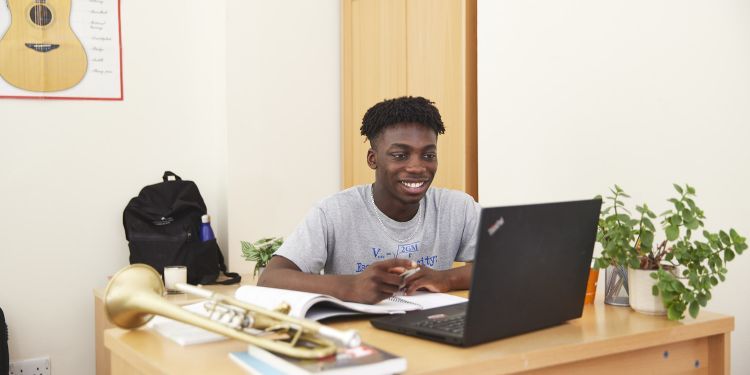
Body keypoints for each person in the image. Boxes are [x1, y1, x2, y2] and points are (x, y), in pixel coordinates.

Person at [258, 96, 480, 304]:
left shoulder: (457, 208)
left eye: (428, 155)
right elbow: (270, 279)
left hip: (430, 331)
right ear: (373, 159)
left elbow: (506, 264)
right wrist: (350, 286)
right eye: (400, 155)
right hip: (358, 334)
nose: (417, 167)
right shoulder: (333, 212)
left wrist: (446, 279)